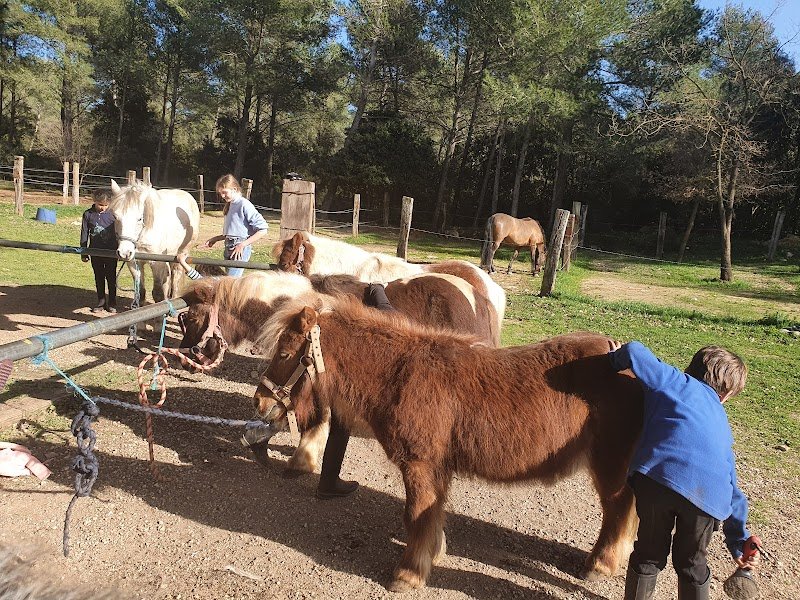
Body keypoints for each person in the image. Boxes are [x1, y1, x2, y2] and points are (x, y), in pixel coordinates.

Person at [608, 341, 759, 600]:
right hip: (707, 499)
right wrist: (738, 541)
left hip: (657, 480)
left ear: (690, 368)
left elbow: (634, 351)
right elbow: (732, 488)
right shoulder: (722, 425)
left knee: (648, 554)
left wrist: (615, 359)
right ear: (725, 395)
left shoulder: (674, 380)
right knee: (692, 565)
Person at [200, 174, 268, 277]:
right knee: (229, 283)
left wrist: (242, 245)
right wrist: (215, 239)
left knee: (230, 283)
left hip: (239, 249)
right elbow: (233, 231)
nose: (222, 196)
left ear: (234, 189)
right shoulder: (230, 205)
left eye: (224, 192)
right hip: (229, 247)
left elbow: (263, 229)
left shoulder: (244, 204)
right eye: (220, 193)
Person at [80, 189, 118, 313]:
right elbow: (84, 233)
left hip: (111, 251)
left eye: (106, 205)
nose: (103, 208)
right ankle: (101, 301)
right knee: (99, 277)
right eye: (100, 205)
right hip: (95, 251)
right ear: (95, 202)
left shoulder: (113, 215)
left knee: (111, 277)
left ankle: (112, 302)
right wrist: (84, 251)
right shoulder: (88, 214)